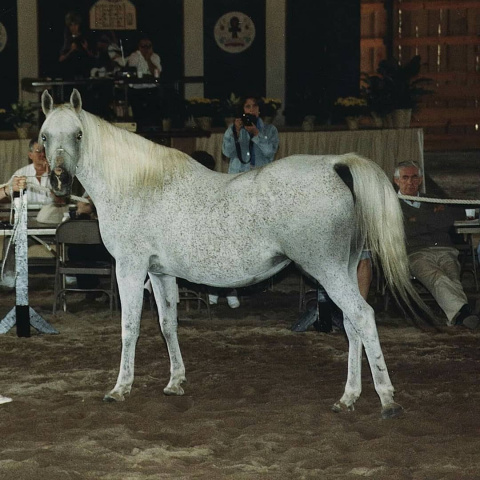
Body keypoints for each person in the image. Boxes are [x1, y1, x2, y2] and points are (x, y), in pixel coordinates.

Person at [394, 160, 479, 329]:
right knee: (438, 278)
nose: (410, 182)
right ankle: (465, 313)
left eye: (414, 177)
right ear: (397, 180)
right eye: (405, 178)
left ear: (420, 180)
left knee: (452, 278)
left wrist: (416, 220)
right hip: (416, 253)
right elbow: (404, 231)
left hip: (446, 250)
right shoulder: (391, 204)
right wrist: (431, 217)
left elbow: (448, 221)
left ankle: (459, 315)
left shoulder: (432, 199)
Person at [222, 96, 279, 173]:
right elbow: (227, 153)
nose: (252, 109)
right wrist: (236, 133)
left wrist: (256, 133)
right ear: (243, 110)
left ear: (259, 109)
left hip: (260, 174)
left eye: (255, 106)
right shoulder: (233, 129)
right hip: (238, 174)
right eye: (248, 106)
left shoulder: (270, 130)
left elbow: (270, 153)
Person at [3, 139, 54, 205]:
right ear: (30, 155)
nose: (43, 154)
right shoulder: (21, 173)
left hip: (51, 213)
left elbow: (63, 198)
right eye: (39, 151)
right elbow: (6, 194)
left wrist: (51, 173)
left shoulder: (56, 173)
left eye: (45, 151)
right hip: (28, 213)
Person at [127, 36, 163, 127]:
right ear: (139, 47)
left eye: (149, 46)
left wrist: (148, 60)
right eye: (143, 46)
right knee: (139, 117)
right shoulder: (134, 56)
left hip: (152, 89)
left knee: (154, 117)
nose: (146, 49)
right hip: (137, 90)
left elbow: (156, 73)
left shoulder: (155, 57)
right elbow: (132, 69)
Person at [58, 11, 93, 80]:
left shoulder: (84, 38)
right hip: (70, 75)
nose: (73, 27)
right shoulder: (66, 40)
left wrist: (86, 48)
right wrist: (71, 50)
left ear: (79, 25)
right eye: (71, 25)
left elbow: (93, 56)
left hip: (83, 75)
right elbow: (60, 59)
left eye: (75, 25)